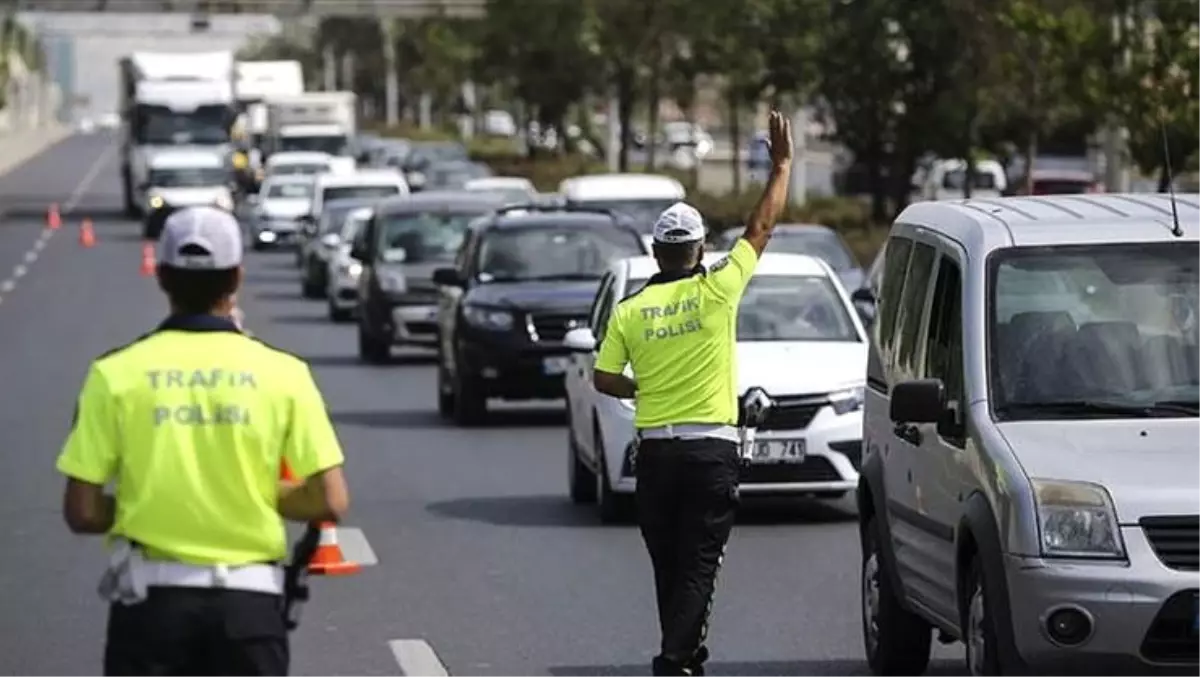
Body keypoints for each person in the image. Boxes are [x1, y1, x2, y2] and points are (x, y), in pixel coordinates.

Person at [56, 205, 350, 677]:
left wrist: (146, 503)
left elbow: (83, 510)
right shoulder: (285, 375)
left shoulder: (114, 376)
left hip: (151, 609)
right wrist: (250, 495)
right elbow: (329, 499)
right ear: (235, 278)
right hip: (250, 611)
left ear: (163, 276)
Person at [592, 110, 794, 677]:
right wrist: (780, 166)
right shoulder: (718, 290)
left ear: (657, 254)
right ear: (700, 251)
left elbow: (602, 378)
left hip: (655, 454)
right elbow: (760, 230)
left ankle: (684, 658)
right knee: (700, 564)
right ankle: (674, 659)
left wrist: (641, 385)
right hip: (711, 452)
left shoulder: (630, 311)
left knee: (669, 564)